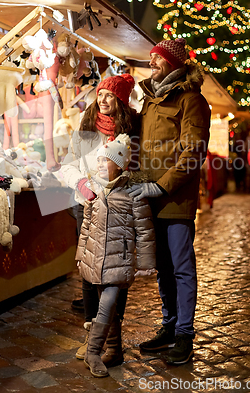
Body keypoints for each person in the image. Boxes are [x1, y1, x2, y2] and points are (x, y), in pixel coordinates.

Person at [128, 37, 211, 365]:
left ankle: (184, 334)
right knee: (162, 267)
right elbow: (141, 145)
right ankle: (168, 326)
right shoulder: (150, 99)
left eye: (158, 58)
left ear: (173, 63)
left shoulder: (191, 100)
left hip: (175, 200)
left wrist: (161, 187)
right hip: (149, 197)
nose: (151, 63)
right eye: (151, 57)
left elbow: (193, 153)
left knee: (180, 267)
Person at [60, 73, 139, 363]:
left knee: (115, 273)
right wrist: (82, 185)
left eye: (110, 96)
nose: (104, 100)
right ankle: (92, 334)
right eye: (101, 94)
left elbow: (136, 171)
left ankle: (111, 340)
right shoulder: (84, 128)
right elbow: (68, 164)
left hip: (117, 208)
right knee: (89, 272)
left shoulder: (130, 132)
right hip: (87, 207)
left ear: (120, 101)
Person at [76, 134, 156, 378]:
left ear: (119, 166)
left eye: (105, 161)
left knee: (109, 302)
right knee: (107, 310)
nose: (100, 165)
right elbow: (86, 226)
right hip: (95, 261)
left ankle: (93, 351)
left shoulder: (132, 194)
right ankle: (115, 350)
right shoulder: (94, 191)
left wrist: (145, 263)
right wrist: (81, 255)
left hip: (118, 261)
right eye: (98, 161)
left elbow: (144, 230)